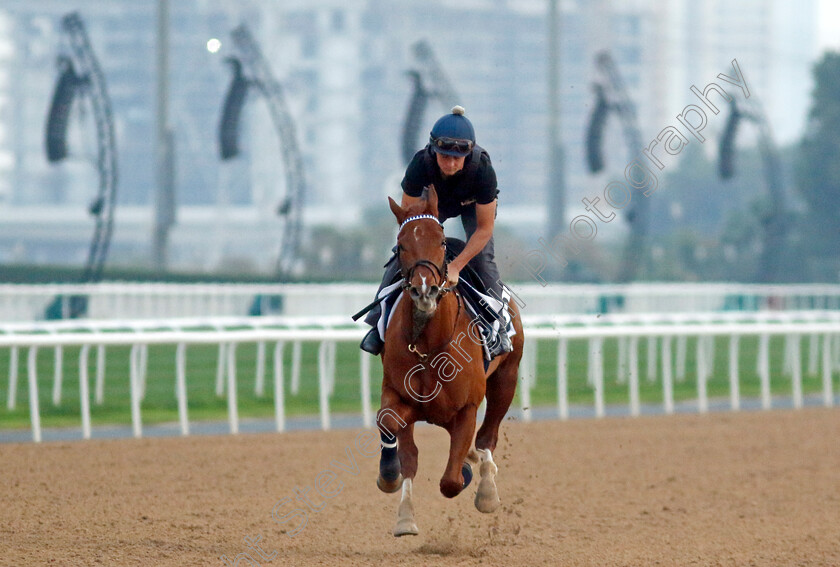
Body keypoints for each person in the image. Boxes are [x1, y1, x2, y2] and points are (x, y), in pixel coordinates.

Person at [359, 105, 513, 357]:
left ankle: (498, 326)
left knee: (482, 259)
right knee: (402, 254)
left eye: (457, 158)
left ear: (469, 153)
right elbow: (408, 222)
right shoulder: (420, 164)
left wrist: (456, 266)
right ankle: (378, 323)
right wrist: (419, 249)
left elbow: (484, 229)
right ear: (433, 151)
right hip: (430, 204)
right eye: (444, 156)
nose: (451, 163)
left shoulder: (483, 170)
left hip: (472, 206)